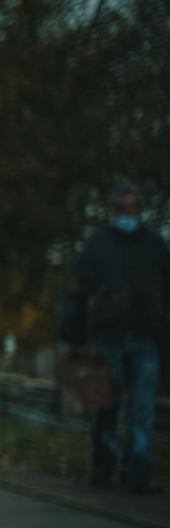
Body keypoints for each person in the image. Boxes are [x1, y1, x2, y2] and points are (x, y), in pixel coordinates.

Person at [58, 184, 170, 494]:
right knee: (105, 406)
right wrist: (71, 336)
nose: (128, 214)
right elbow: (75, 291)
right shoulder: (98, 245)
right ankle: (103, 468)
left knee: (141, 411)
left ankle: (137, 475)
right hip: (107, 339)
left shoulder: (155, 246)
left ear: (141, 210)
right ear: (112, 211)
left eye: (133, 208)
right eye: (122, 208)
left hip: (147, 339)